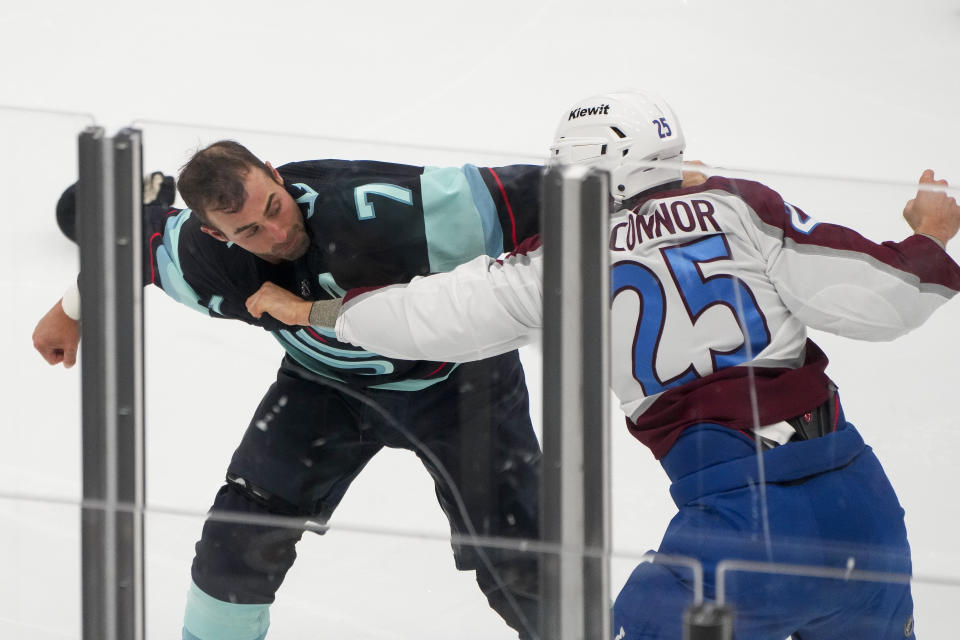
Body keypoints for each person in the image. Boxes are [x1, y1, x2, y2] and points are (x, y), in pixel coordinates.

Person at [296, 92, 960, 639]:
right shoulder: (740, 205)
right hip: (862, 507)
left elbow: (428, 317)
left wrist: (318, 313)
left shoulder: (565, 254)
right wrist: (930, 233)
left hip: (738, 528)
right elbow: (889, 301)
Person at [32, 142, 546, 640]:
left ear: (277, 175)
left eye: (275, 207)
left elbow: (566, 196)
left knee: (523, 561)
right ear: (215, 234)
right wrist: (70, 309)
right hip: (326, 388)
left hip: (462, 384)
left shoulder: (391, 210)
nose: (278, 233)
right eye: (250, 230)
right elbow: (136, 241)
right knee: (235, 544)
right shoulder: (205, 258)